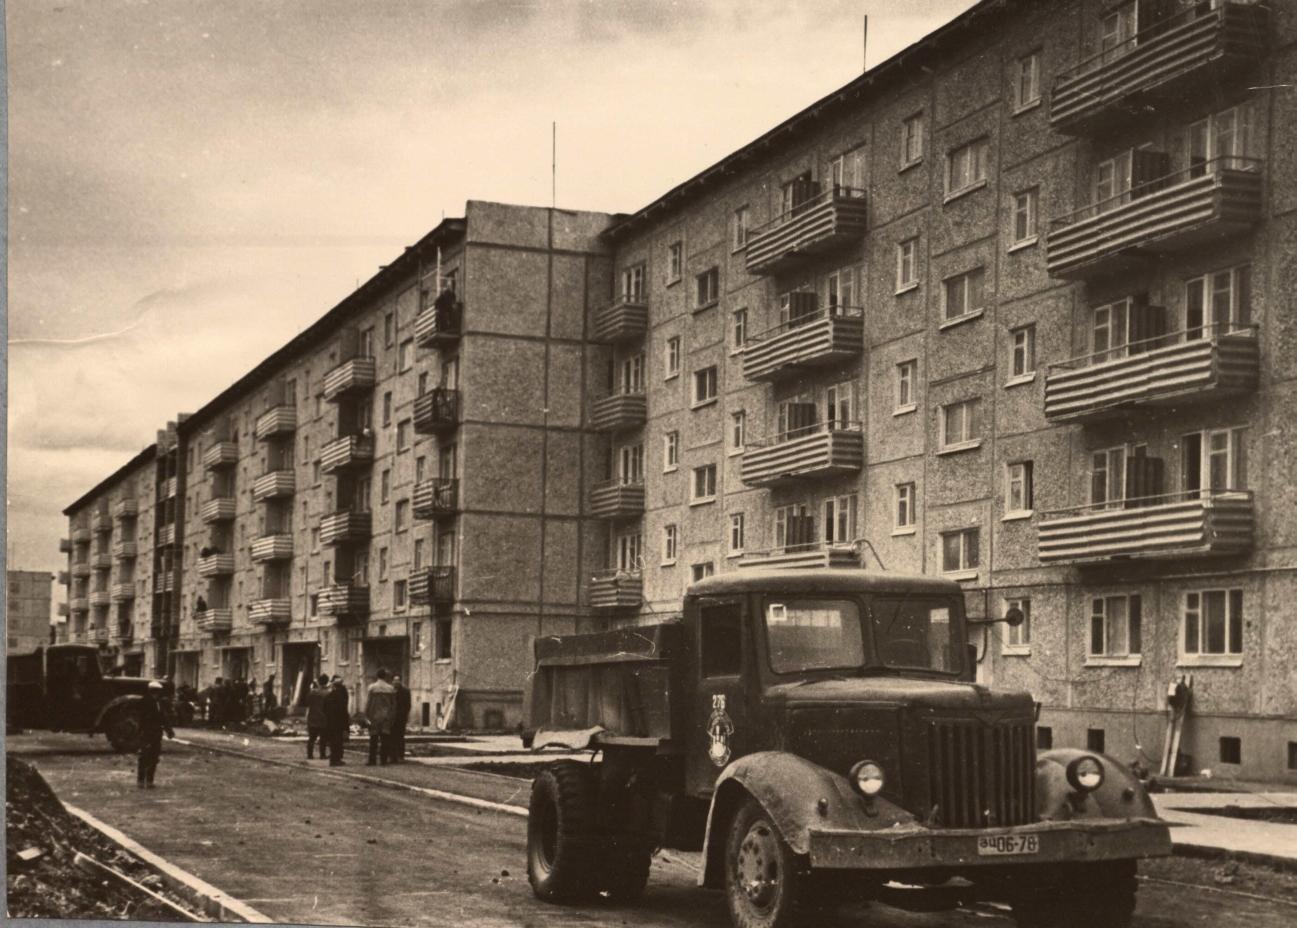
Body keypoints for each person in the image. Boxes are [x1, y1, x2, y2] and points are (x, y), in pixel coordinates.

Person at [138, 681, 175, 788]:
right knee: (147, 756)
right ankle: (144, 780)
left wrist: (168, 730)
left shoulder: (155, 702)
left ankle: (146, 781)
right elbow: (161, 717)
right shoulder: (148, 702)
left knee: (151, 757)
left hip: (152, 733)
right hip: (149, 733)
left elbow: (162, 717)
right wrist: (169, 730)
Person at [363, 668, 397, 766]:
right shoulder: (390, 689)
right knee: (385, 739)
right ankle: (383, 760)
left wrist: (366, 715)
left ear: (377, 676)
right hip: (386, 716)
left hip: (374, 716)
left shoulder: (372, 688)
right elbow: (393, 705)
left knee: (373, 739)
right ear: (385, 676)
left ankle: (372, 760)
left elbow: (368, 703)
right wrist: (392, 716)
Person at [323, 675, 349, 766]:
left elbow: (324, 708)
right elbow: (343, 709)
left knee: (333, 741)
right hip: (339, 721)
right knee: (338, 741)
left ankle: (334, 758)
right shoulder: (341, 696)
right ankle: (336, 759)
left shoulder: (329, 695)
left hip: (330, 721)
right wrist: (346, 723)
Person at [389, 674, 412, 763]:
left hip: (401, 717)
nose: (396, 682)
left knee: (400, 737)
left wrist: (404, 714)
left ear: (400, 681)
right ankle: (392, 756)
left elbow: (408, 705)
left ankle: (400, 755)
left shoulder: (405, 691)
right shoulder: (390, 691)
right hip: (392, 717)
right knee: (391, 737)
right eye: (394, 680)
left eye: (397, 680)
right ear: (392, 681)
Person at [305, 674, 328, 760]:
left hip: (313, 717)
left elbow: (307, 702)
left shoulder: (312, 693)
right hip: (324, 718)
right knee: (323, 738)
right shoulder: (328, 693)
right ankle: (322, 754)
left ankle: (310, 755)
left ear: (318, 681)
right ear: (327, 682)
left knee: (312, 738)